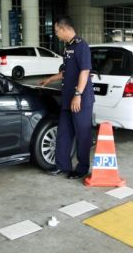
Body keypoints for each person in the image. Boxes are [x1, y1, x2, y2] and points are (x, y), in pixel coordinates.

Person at [40, 16, 95, 179]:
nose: (56, 34)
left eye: (57, 31)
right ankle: (62, 165)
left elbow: (85, 71)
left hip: (80, 100)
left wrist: (78, 95)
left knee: (82, 134)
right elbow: (67, 71)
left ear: (64, 29)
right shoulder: (68, 47)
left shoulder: (81, 46)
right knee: (64, 132)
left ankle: (82, 168)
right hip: (67, 99)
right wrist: (50, 78)